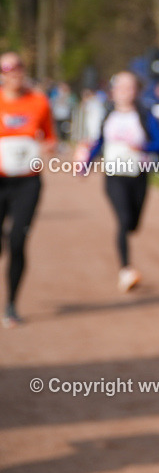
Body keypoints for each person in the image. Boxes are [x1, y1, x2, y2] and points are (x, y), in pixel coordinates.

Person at [83, 72, 159, 293]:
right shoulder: (108, 114)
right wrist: (86, 163)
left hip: (138, 176)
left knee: (133, 224)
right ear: (113, 91)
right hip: (114, 176)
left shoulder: (144, 115)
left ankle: (127, 251)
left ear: (136, 90)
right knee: (122, 221)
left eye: (129, 87)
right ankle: (126, 270)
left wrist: (142, 148)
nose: (125, 92)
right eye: (121, 87)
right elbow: (99, 142)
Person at [0, 53, 56, 327]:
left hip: (27, 182)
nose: (13, 73)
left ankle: (10, 304)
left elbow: (50, 137)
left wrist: (48, 147)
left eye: (18, 67)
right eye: (7, 68)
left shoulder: (39, 101)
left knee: (18, 241)